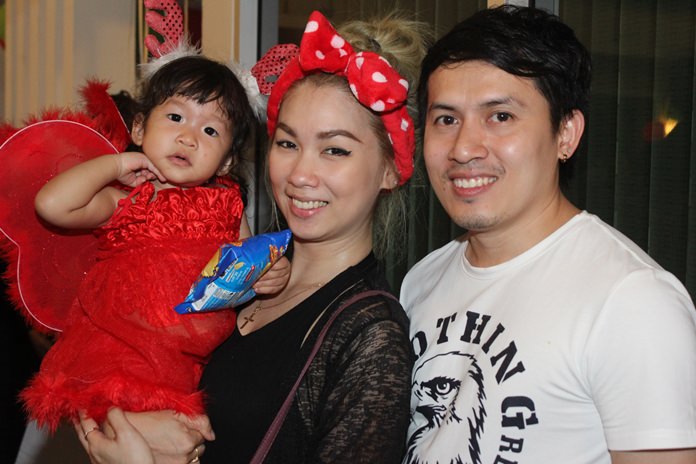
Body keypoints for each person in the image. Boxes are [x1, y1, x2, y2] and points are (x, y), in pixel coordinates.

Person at [77, 10, 431, 464]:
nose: (301, 174)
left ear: (389, 169)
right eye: (287, 144)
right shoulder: (231, 271)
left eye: (335, 149)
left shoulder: (369, 338)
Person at [401, 5, 696, 464]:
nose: (463, 148)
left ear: (566, 134)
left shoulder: (632, 301)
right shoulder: (422, 280)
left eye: (500, 116)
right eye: (446, 119)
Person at [23, 53, 289, 432]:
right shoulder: (127, 201)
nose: (188, 137)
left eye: (210, 131)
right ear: (139, 128)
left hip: (196, 366)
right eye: (176, 117)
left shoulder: (228, 205)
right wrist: (115, 166)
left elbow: (243, 272)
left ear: (227, 162)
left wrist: (272, 272)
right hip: (120, 358)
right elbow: (51, 205)